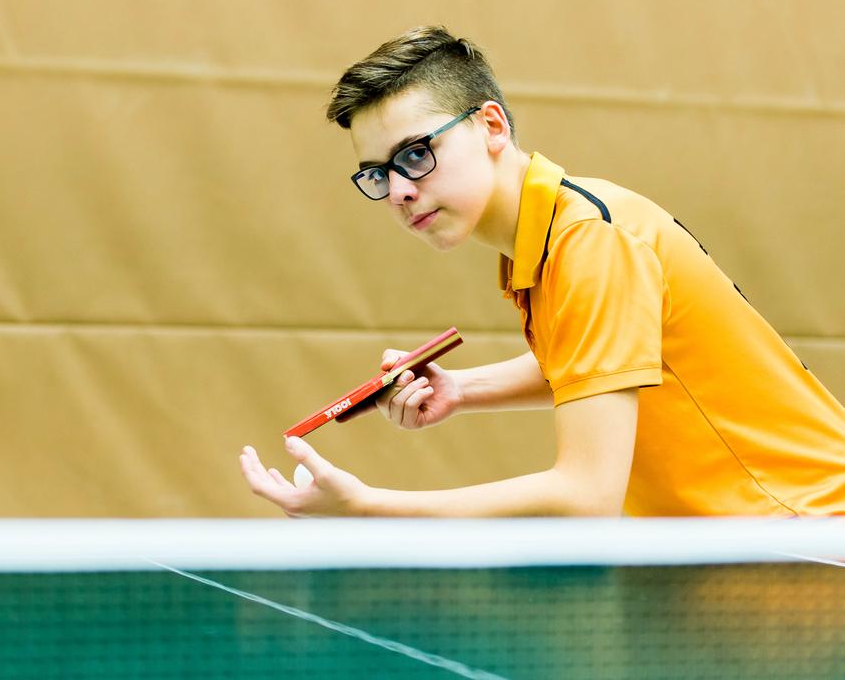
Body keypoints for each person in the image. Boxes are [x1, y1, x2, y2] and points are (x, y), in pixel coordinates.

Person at [239, 26, 845, 517]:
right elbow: (610, 358)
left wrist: (370, 508)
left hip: (803, 536)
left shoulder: (590, 244)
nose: (397, 190)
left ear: (492, 126)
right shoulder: (549, 235)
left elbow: (585, 497)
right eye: (377, 172)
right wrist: (463, 390)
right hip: (740, 552)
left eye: (416, 154)